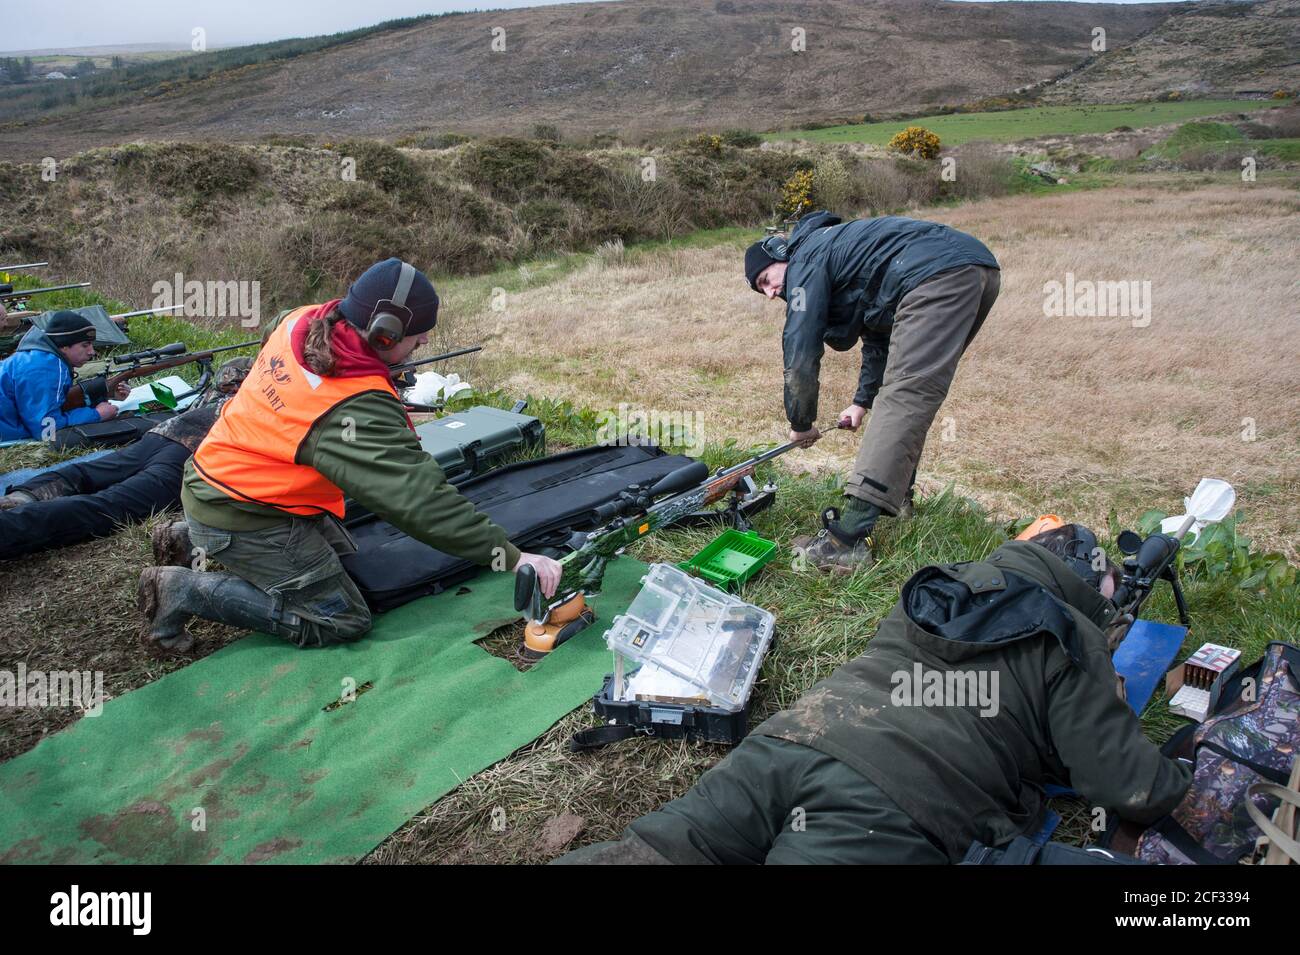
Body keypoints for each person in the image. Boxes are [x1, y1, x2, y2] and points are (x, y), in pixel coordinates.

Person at [555, 524, 1191, 864]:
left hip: (793, 742)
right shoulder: (1070, 631)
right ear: (1084, 585)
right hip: (895, 797)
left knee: (659, 849)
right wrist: (1179, 775)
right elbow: (1124, 784)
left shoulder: (942, 585)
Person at [137, 258, 561, 652]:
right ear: (385, 333)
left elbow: (281, 351)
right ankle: (181, 588)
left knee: (351, 559)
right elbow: (419, 501)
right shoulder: (351, 407)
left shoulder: (302, 319)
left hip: (227, 476)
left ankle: (186, 537)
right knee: (340, 619)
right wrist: (512, 556)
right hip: (244, 510)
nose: (426, 340)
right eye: (418, 334)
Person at [744, 210, 1000, 572]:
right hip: (975, 270)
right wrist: (860, 403)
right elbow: (880, 336)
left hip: (938, 275)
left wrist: (801, 422)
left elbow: (800, 349)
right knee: (915, 394)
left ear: (781, 257)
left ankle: (845, 540)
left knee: (906, 397)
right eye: (762, 290)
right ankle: (898, 498)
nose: (771, 293)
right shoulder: (839, 256)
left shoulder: (806, 259)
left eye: (766, 279)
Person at [0, 359, 251, 560]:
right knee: (109, 505)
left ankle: (23, 496)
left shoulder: (241, 376)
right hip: (193, 455)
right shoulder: (269, 402)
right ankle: (9, 528)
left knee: (86, 473)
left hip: (163, 434)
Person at [0, 310, 122, 441]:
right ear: (63, 346)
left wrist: (103, 395)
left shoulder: (40, 357)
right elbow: (45, 430)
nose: (92, 352)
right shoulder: (45, 369)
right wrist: (97, 414)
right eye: (85, 345)